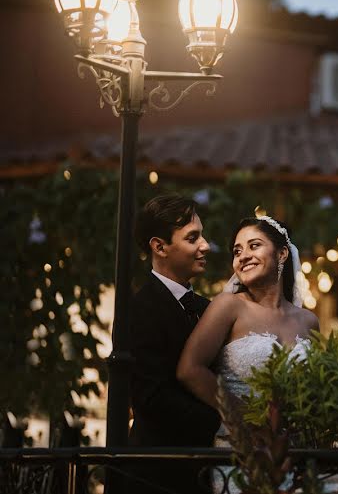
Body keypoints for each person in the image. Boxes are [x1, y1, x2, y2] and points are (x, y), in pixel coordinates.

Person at [177, 216, 319, 492]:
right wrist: (245, 419)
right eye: (237, 251)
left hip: (295, 456)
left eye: (254, 246)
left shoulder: (308, 321)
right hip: (241, 452)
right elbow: (189, 369)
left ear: (281, 253)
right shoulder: (228, 306)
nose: (243, 256)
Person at [127, 194, 221, 494]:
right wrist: (225, 420)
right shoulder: (139, 309)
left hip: (204, 472)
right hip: (156, 475)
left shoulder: (208, 308)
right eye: (193, 238)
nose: (205, 245)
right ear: (159, 246)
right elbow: (151, 398)